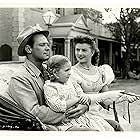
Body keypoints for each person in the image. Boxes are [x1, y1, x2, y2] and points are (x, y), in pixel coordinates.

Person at [5, 25, 96, 131]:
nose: (48, 48)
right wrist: (70, 113)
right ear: (29, 49)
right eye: (42, 45)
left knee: (114, 125)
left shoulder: (50, 70)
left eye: (48, 44)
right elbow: (34, 112)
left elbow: (73, 89)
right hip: (47, 127)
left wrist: (84, 106)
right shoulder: (20, 78)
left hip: (69, 120)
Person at [69, 35, 139, 131]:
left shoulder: (101, 72)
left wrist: (124, 97)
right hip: (82, 113)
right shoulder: (71, 72)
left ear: (92, 52)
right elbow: (74, 99)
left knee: (123, 125)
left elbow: (105, 100)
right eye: (77, 50)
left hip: (100, 112)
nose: (79, 53)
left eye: (84, 50)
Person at [43, 55, 117, 131]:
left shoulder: (70, 82)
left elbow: (82, 95)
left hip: (82, 116)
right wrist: (77, 99)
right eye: (66, 70)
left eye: (70, 70)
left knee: (109, 127)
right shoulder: (50, 87)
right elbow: (59, 106)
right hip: (67, 121)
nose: (70, 73)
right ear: (55, 73)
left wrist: (83, 99)